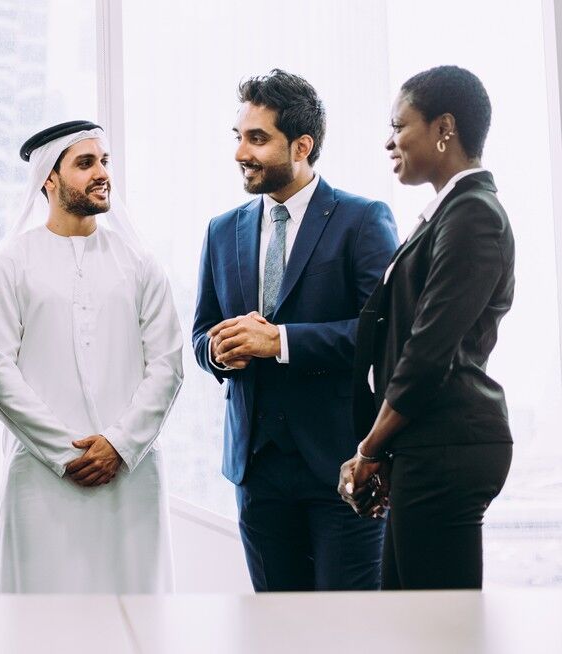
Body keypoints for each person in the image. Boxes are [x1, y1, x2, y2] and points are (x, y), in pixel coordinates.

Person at [192, 70, 399, 592]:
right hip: (256, 472)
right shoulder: (221, 230)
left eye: (257, 138)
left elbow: (382, 335)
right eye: (238, 136)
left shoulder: (362, 219)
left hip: (343, 466)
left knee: (346, 625)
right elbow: (200, 335)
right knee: (274, 625)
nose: (241, 152)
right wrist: (218, 351)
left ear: (301, 146)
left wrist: (280, 342)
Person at [0, 120, 183, 593]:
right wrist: (65, 452)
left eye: (104, 161)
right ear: (49, 178)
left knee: (136, 613)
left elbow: (168, 365)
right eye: (85, 163)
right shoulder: (10, 262)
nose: (102, 173)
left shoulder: (140, 261)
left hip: (131, 471)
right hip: (42, 476)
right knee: (45, 615)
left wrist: (119, 444)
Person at [340, 65, 514, 590]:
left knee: (437, 626)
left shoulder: (473, 214)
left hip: (448, 445)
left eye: (399, 126)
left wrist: (369, 449)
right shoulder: (448, 211)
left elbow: (427, 351)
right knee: (408, 618)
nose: (388, 141)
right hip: (428, 443)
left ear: (444, 129)